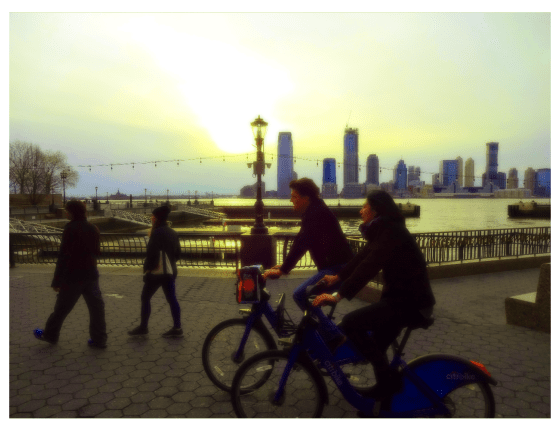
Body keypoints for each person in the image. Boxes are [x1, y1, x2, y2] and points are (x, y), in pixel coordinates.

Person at [312, 190, 436, 404]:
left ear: (375, 210)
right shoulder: (385, 230)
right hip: (403, 300)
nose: (360, 211)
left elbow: (370, 265)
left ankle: (388, 385)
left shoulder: (391, 232)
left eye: (364, 207)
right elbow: (362, 257)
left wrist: (339, 295)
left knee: (351, 322)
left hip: (411, 304)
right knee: (376, 346)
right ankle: (386, 393)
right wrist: (337, 277)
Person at [263, 178, 353, 342]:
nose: (291, 200)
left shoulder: (316, 214)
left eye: (294, 196)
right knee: (307, 297)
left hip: (337, 269)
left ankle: (335, 337)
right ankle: (323, 338)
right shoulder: (314, 211)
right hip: (334, 266)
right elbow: (300, 240)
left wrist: (283, 270)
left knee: (300, 294)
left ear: (306, 198)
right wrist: (284, 266)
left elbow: (302, 243)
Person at [34, 200, 107, 348]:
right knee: (96, 308)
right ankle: (99, 339)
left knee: (62, 308)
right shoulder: (93, 228)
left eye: (67, 211)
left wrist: (57, 281)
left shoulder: (70, 228)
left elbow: (64, 256)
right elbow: (97, 252)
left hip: (73, 276)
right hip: (91, 274)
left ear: (72, 212)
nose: (66, 213)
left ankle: (50, 335)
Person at [128, 205, 182, 337]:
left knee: (145, 297)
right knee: (172, 299)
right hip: (170, 272)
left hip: (156, 273)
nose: (151, 219)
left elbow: (152, 254)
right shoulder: (173, 232)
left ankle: (143, 327)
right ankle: (177, 328)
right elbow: (178, 254)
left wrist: (147, 271)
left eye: (152, 217)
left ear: (156, 219)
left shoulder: (156, 233)